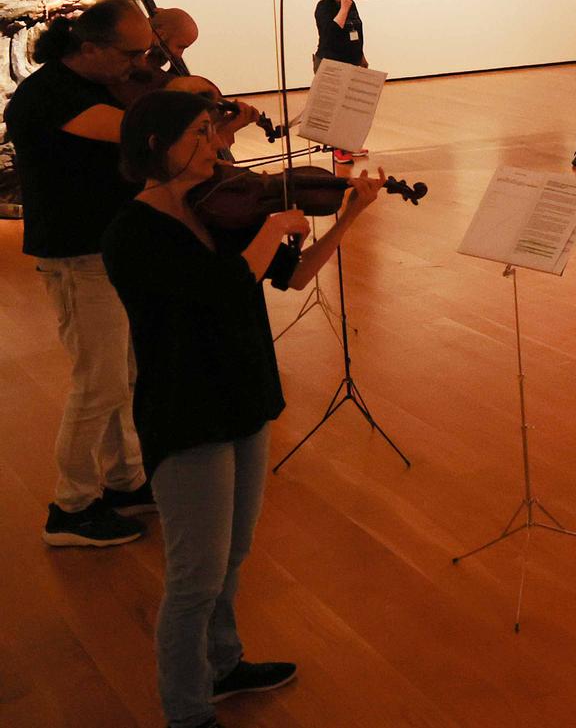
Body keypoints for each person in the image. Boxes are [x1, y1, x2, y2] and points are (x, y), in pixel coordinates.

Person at [103, 89, 384, 728]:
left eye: (213, 131)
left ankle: (222, 664)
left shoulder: (224, 213)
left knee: (231, 553)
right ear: (155, 147)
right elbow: (220, 288)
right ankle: (187, 710)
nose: (217, 143)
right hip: (187, 410)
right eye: (199, 134)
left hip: (243, 394)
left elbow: (294, 275)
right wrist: (270, 229)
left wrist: (351, 216)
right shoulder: (133, 232)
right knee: (194, 575)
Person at [4, 0, 155, 546]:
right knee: (98, 383)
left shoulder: (93, 83)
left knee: (125, 373)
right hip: (77, 252)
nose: (140, 63)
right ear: (90, 48)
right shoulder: (48, 96)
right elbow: (139, 134)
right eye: (132, 53)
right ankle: (70, 508)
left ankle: (124, 481)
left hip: (109, 247)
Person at [2, 0, 104, 216]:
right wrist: (46, 6)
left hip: (72, 49)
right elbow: (4, 8)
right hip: (28, 49)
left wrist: (84, 5)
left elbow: (103, 2)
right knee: (26, 110)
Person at [312, 0, 369, 164]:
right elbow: (331, 34)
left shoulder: (352, 5)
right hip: (331, 62)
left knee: (350, 107)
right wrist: (343, 9)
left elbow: (356, 32)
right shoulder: (324, 6)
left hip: (352, 60)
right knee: (335, 108)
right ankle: (338, 149)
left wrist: (361, 56)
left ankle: (350, 144)